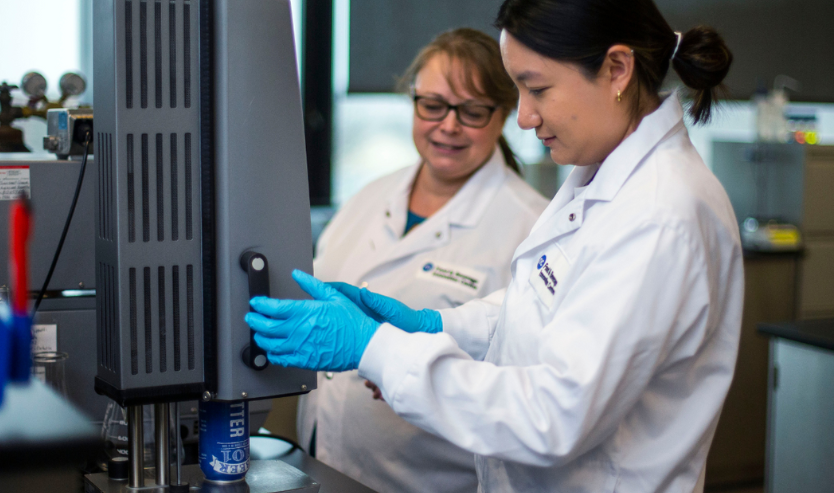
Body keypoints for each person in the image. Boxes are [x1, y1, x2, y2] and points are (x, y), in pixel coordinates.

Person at [247, 0, 744, 491]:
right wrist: (435, 325)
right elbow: (540, 314)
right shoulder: (603, 179)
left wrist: (374, 347)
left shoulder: (659, 214)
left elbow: (552, 416)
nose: (525, 118)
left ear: (617, 68)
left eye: (537, 88)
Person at [296, 28, 549, 493]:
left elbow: (530, 386)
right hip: (323, 465)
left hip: (432, 480)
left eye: (471, 111)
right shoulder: (368, 198)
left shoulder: (531, 229)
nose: (447, 126)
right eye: (432, 105)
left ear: (505, 113)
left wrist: (408, 366)